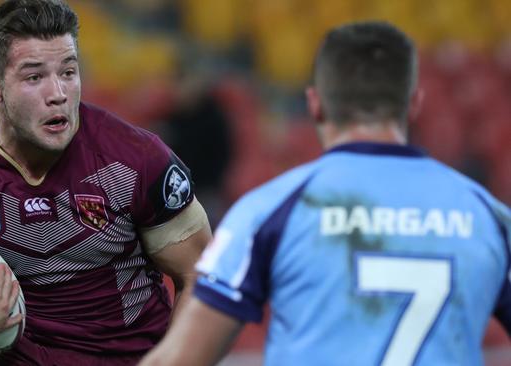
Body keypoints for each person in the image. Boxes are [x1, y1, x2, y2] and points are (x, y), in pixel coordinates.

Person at [140, 21, 511, 366]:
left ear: (315, 104)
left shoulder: (268, 213)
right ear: (413, 103)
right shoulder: (489, 216)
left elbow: (179, 359)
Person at [0, 1, 211, 365]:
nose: (58, 93)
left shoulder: (135, 159)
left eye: (68, 72)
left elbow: (201, 278)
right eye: (35, 77)